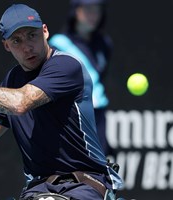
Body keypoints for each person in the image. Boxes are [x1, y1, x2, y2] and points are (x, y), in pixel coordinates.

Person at [0, 3, 123, 200]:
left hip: (85, 183)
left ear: (45, 31)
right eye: (16, 40)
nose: (27, 46)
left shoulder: (65, 66)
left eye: (32, 35)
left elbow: (21, 103)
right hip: (38, 188)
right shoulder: (12, 80)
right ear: (6, 45)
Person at [49, 0, 113, 156]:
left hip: (99, 117)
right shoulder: (58, 45)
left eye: (97, 10)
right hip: (73, 119)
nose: (94, 15)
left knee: (100, 171)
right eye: (88, 9)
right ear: (76, 11)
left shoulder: (104, 44)